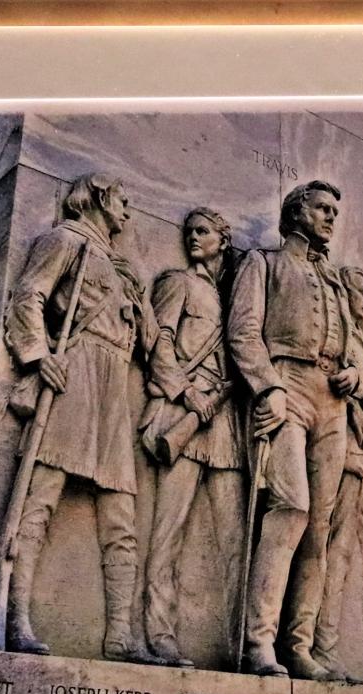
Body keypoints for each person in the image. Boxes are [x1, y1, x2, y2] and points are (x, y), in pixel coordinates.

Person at [1, 172, 164, 665]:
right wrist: (36, 355)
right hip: (77, 372)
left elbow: (150, 344)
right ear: (96, 196)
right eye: (122, 199)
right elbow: (29, 295)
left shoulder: (121, 266)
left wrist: (138, 296)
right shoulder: (66, 240)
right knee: (39, 500)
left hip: (115, 383)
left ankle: (120, 636)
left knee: (121, 515)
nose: (128, 210)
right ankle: (15, 619)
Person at [226, 180, 360, 679]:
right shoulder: (263, 263)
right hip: (287, 385)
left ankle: (298, 646)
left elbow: (353, 345)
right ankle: (258, 641)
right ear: (296, 212)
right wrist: (268, 387)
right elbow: (243, 331)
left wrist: (355, 373)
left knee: (319, 528)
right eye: (322, 208)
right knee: (291, 508)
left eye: (334, 212)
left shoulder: (336, 282)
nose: (330, 218)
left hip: (333, 401)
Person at [139, 207, 245, 668]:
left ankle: (238, 643)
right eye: (189, 232)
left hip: (224, 426)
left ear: (223, 238)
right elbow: (157, 343)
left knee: (235, 540)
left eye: (203, 231)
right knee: (168, 532)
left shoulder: (236, 298)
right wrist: (187, 393)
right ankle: (159, 635)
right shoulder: (177, 282)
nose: (193, 238)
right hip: (187, 413)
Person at [311, 267, 363, 684]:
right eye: (360, 291)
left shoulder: (360, 338)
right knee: (335, 548)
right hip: (342, 450)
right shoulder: (339, 331)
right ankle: (322, 647)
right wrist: (355, 411)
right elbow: (327, 378)